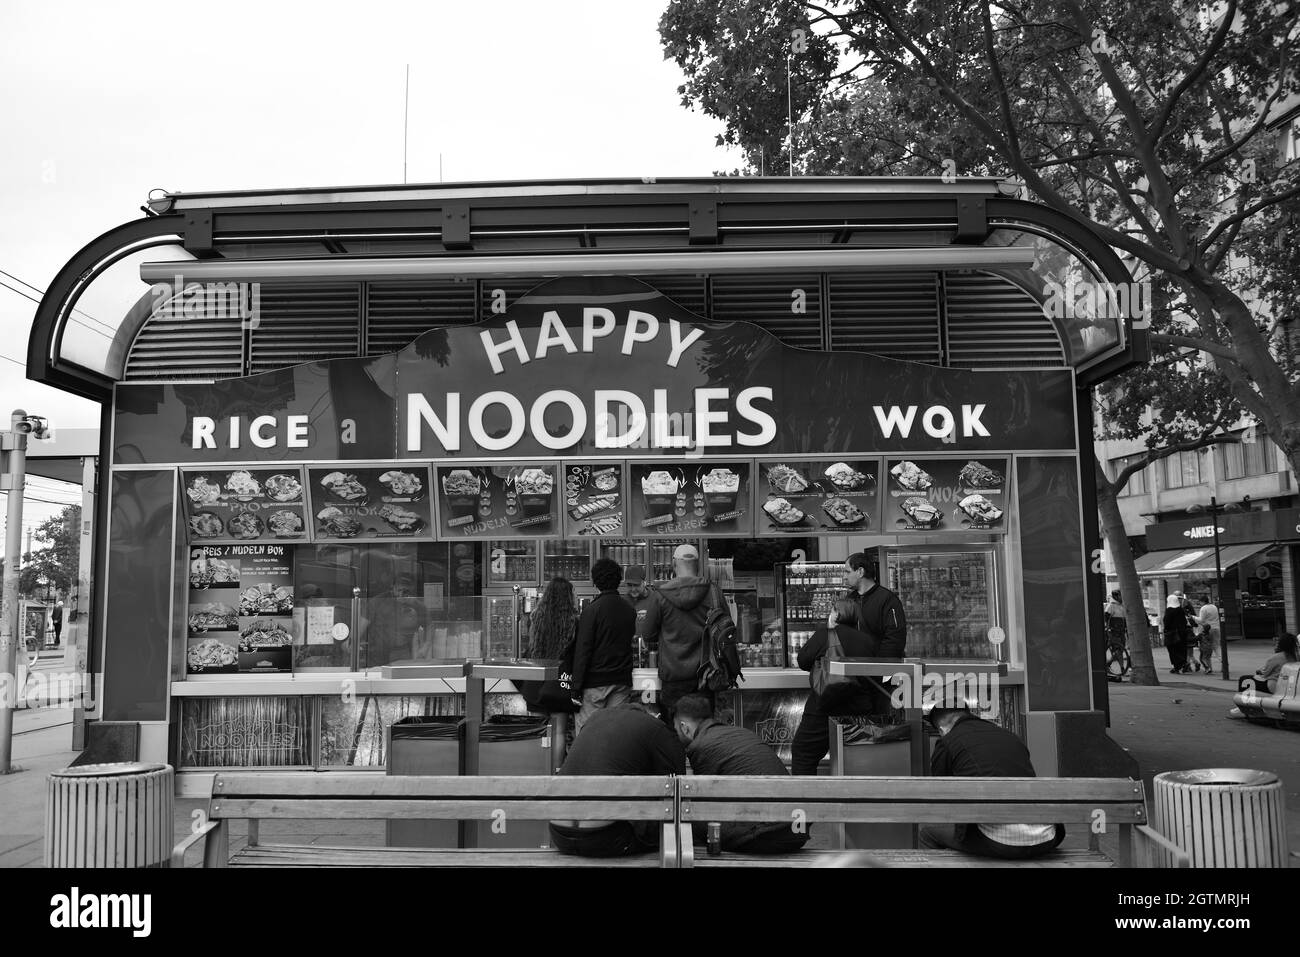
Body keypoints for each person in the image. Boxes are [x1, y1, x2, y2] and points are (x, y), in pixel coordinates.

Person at [919, 706, 1066, 860]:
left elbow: (940, 795)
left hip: (1001, 841)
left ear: (942, 730)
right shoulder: (1010, 736)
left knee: (928, 833)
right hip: (1047, 836)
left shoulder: (947, 742)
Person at [672, 694, 810, 854]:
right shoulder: (739, 733)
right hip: (795, 832)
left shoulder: (701, 746)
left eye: (676, 729)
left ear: (684, 727)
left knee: (689, 817)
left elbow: (706, 805)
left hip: (768, 834)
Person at [547, 703, 686, 857]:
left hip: (560, 835)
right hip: (607, 839)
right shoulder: (657, 727)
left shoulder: (595, 719)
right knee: (664, 834)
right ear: (657, 716)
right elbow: (677, 784)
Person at [790, 599, 894, 775]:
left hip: (824, 708)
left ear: (836, 614)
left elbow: (802, 661)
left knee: (804, 754)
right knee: (856, 757)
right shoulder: (867, 641)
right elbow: (875, 676)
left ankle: (807, 799)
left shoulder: (825, 634)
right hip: (859, 710)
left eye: (831, 611)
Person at [638, 543, 723, 720]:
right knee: (704, 731)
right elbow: (726, 629)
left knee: (675, 733)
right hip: (706, 677)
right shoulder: (714, 592)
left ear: (674, 564)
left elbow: (647, 634)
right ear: (698, 565)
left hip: (673, 677)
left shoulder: (660, 595)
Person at [571, 559, 635, 735]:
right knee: (616, 733)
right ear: (619, 579)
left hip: (595, 683)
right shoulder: (629, 609)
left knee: (589, 734)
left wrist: (576, 687)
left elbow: (583, 650)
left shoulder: (591, 611)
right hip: (621, 681)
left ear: (595, 581)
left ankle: (590, 763)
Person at [843, 552, 907, 659]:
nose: (844, 577)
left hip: (879, 669)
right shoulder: (849, 600)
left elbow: (895, 640)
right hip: (854, 667)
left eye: (847, 572)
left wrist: (879, 668)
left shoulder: (887, 600)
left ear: (860, 572)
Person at [1227, 632, 1299, 718]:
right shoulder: (1295, 657)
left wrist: (1260, 671)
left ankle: (1243, 708)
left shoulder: (1276, 657)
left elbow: (1265, 674)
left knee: (1245, 679)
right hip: (1290, 687)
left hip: (1274, 686)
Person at [527, 576, 580, 661]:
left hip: (541, 664)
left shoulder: (536, 617)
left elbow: (532, 645)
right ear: (567, 597)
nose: (574, 596)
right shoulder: (573, 620)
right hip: (565, 668)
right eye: (572, 593)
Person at [1162, 594, 1191, 674]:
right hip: (1182, 633)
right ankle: (1183, 664)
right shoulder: (1180, 610)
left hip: (1172, 634)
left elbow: (1166, 622)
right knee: (1182, 649)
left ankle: (1177, 666)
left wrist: (1166, 629)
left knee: (1173, 650)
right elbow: (1184, 621)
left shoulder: (1169, 610)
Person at [1196, 600, 1220, 673]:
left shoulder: (1203, 608)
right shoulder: (1214, 607)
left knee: (1204, 657)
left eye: (1200, 602)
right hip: (1216, 628)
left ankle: (1209, 668)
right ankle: (1223, 662)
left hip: (1210, 629)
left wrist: (1193, 617)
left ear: (1203, 601)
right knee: (1216, 647)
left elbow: (1201, 620)